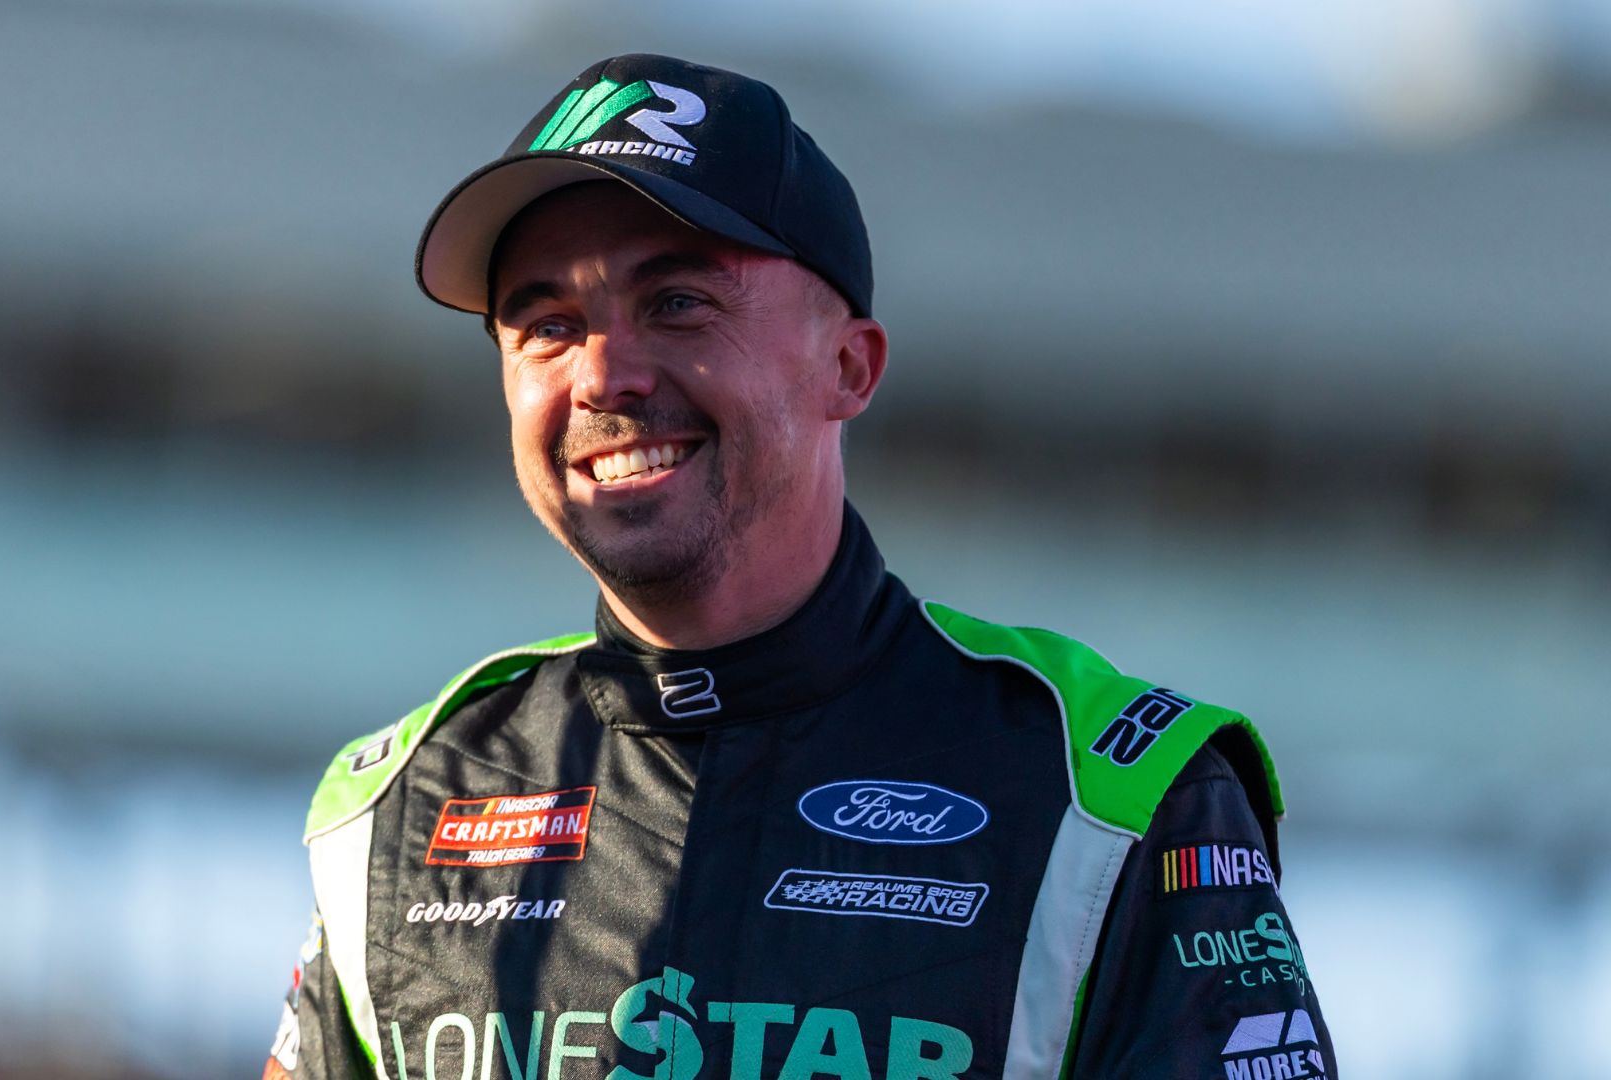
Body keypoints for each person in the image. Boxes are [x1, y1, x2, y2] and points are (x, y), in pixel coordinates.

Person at [265, 53, 1335, 1080]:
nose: (605, 376)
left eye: (676, 302)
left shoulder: (1114, 788)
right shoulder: (398, 803)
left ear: (849, 366)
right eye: (548, 325)